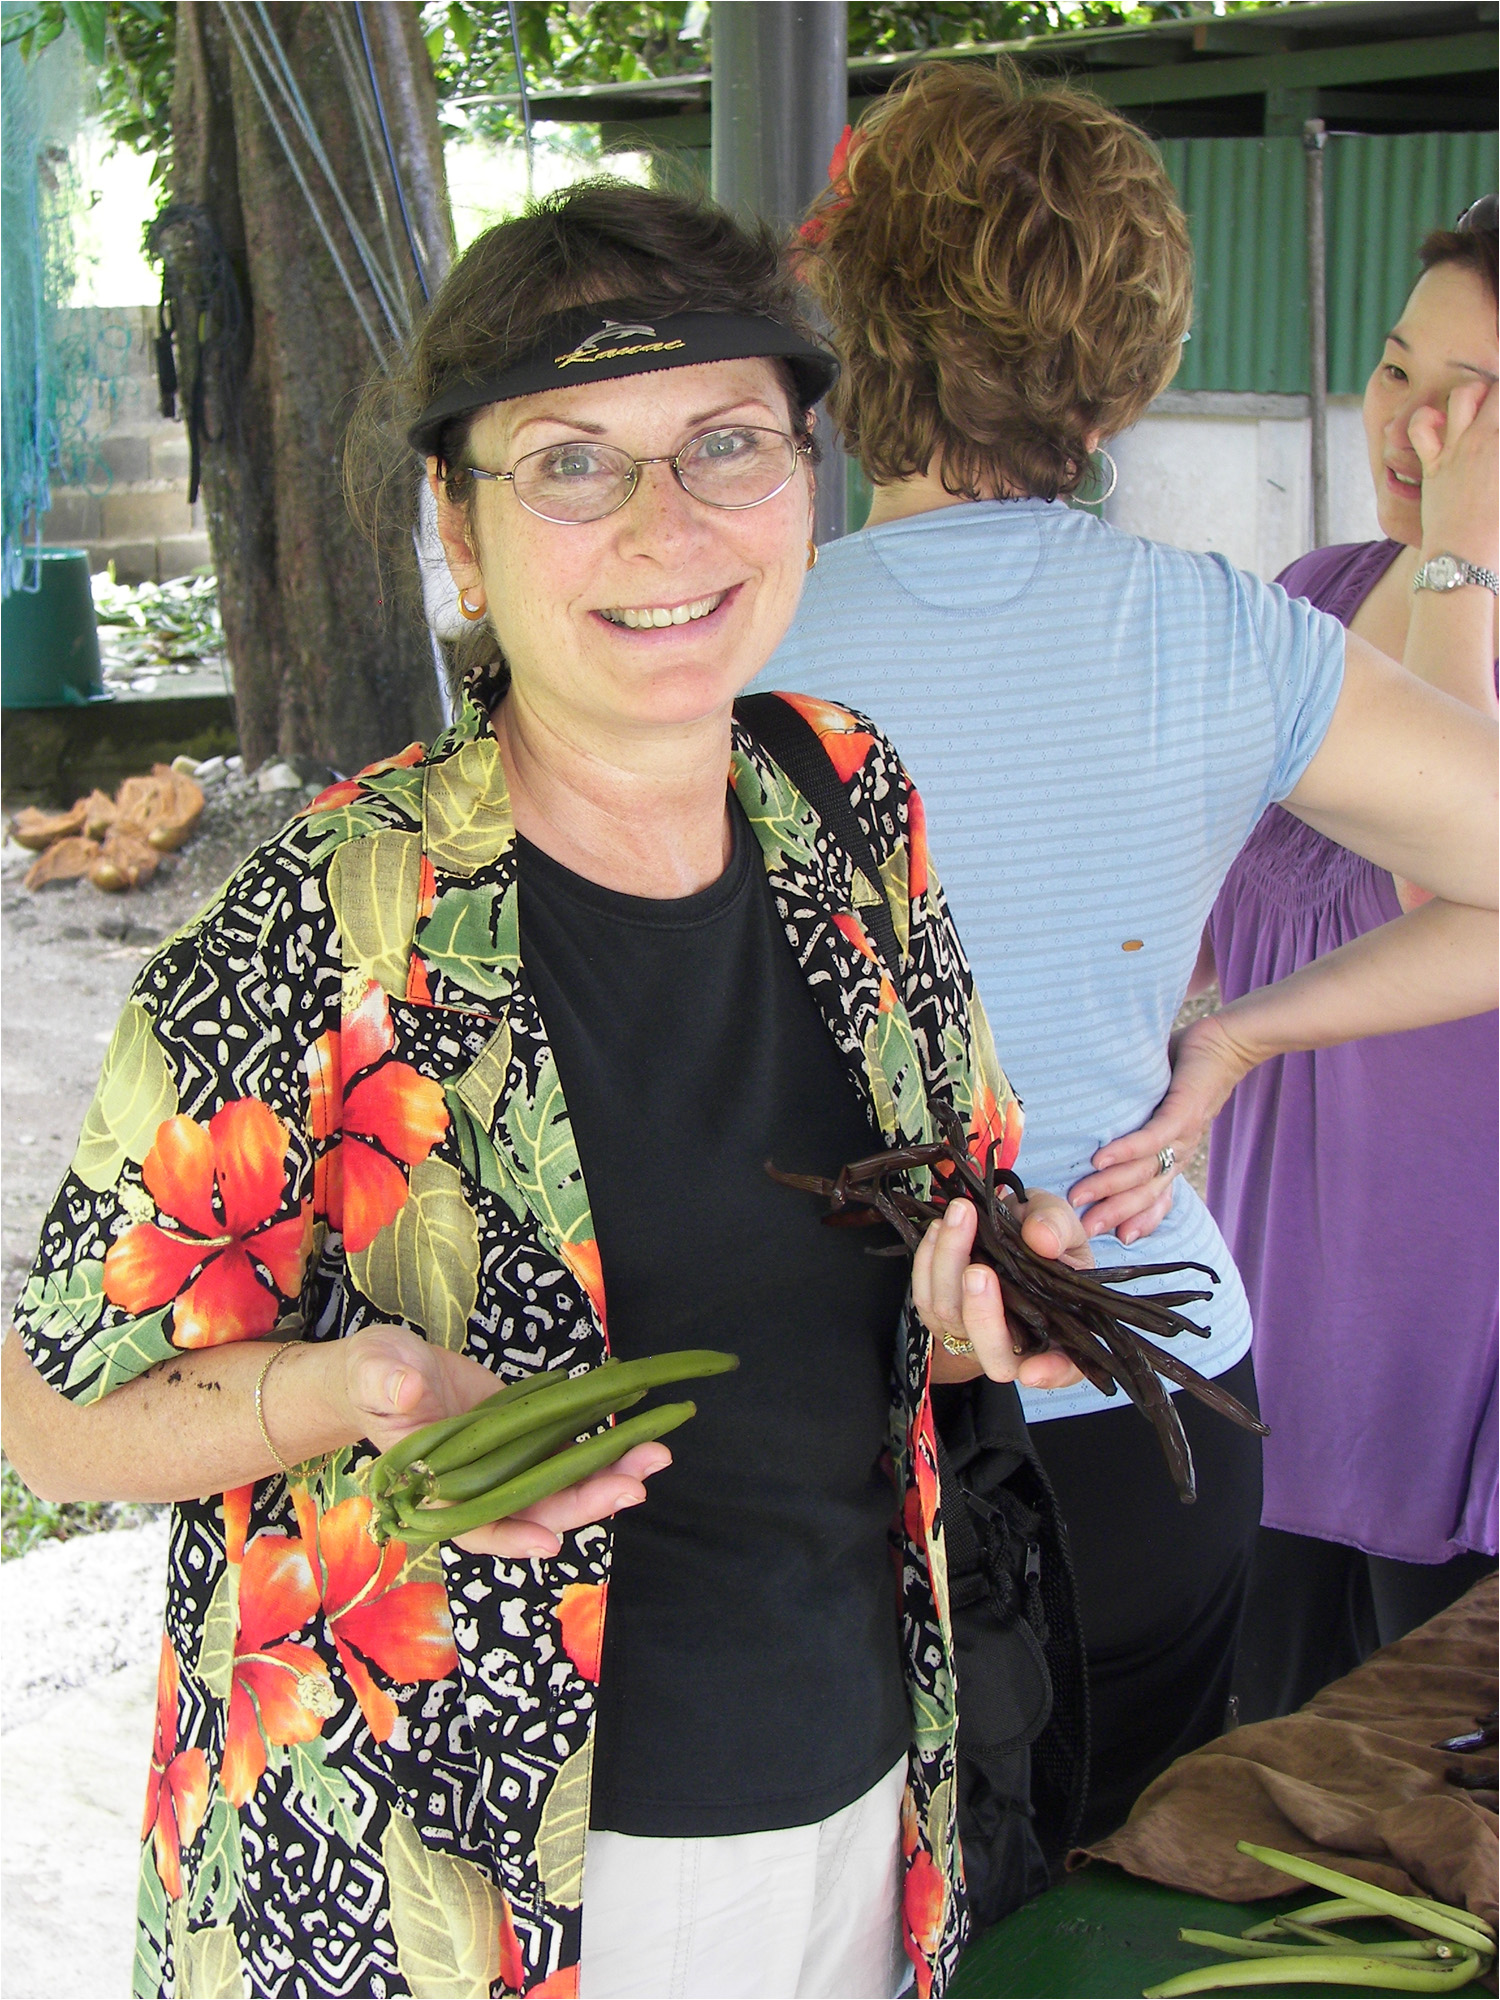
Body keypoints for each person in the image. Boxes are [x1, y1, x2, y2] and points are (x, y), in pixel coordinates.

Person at [0, 182, 1093, 2000]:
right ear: (458, 521)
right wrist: (351, 1391)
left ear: (807, 468)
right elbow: (54, 1414)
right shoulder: (324, 924)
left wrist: (993, 1306)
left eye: (726, 444)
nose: (666, 525)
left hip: (852, 1793)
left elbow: (940, 1254)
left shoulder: (845, 799)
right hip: (436, 1873)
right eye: (573, 464)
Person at [767, 61, 1498, 1843]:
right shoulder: (1232, 636)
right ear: (1138, 364)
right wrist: (1239, 1038)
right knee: (1116, 1887)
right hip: (1146, 1389)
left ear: (845, 316)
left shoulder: (717, 637)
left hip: (797, 1405)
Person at [1190, 201, 1498, 1723]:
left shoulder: (1453, 598)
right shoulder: (1314, 595)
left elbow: (1450, 864)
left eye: (1481, 403)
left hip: (1452, 1325)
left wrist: (1464, 564)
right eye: (1397, 370)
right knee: (1236, 1762)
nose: (1417, 425)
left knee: (1414, 1797)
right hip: (1262, 1295)